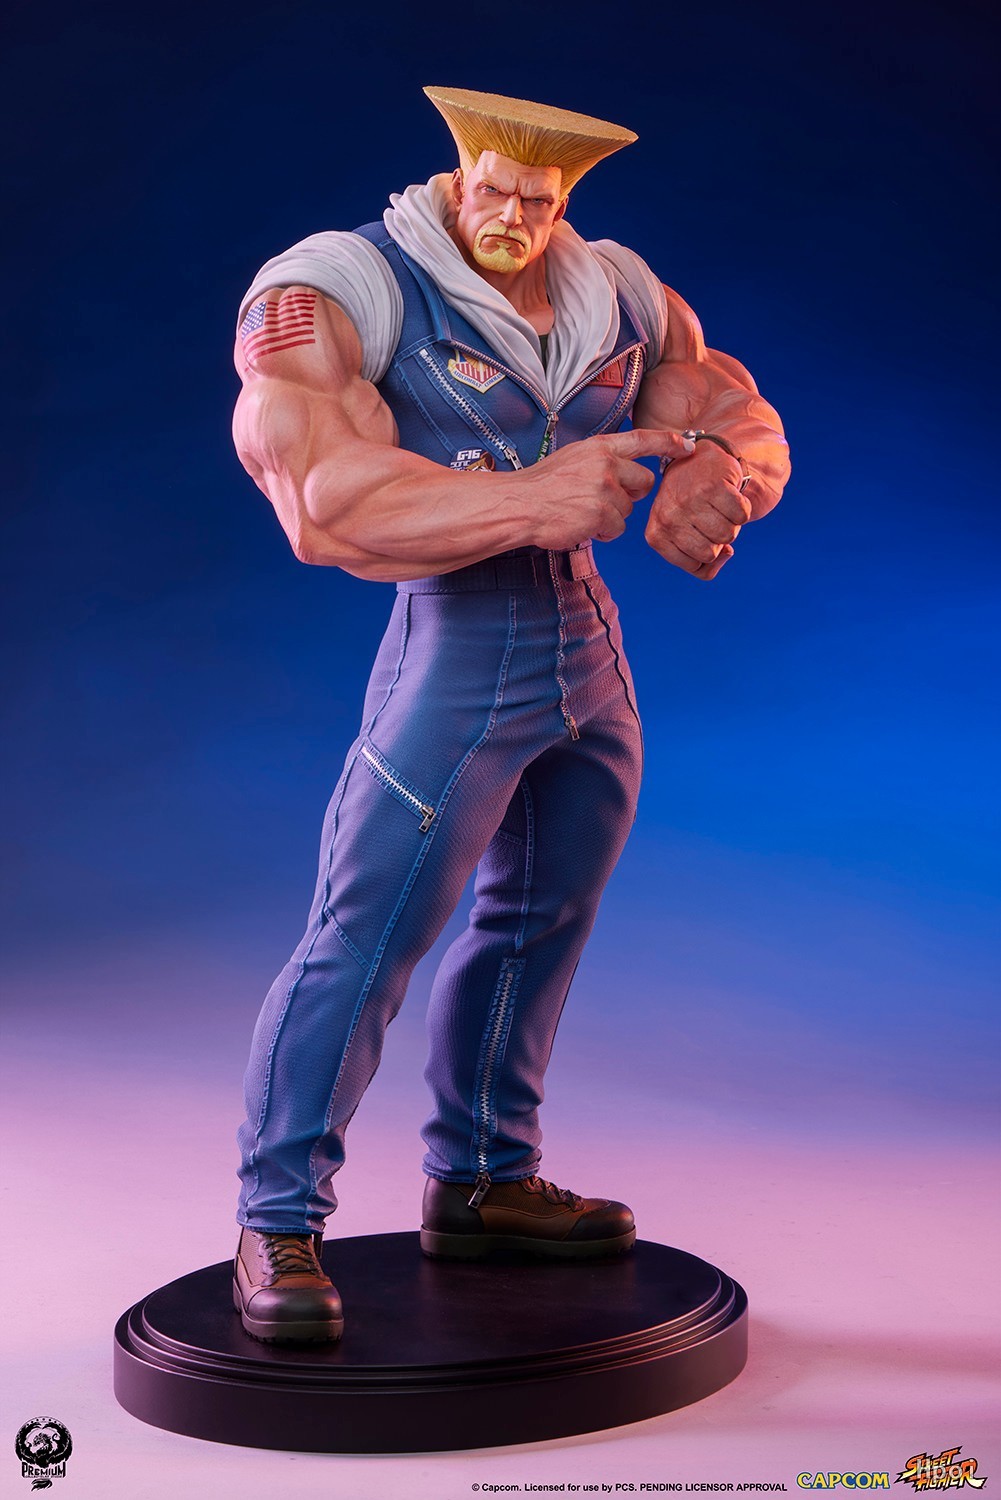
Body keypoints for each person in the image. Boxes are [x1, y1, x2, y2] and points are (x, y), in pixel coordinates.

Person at [230, 87, 790, 1344]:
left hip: (587, 655)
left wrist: (718, 477)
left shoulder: (619, 293)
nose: (512, 216)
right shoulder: (342, 287)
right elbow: (319, 500)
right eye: (493, 190)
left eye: (537, 201)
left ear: (562, 199)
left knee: (543, 921)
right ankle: (276, 1220)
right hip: (456, 652)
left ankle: (483, 1178)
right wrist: (531, 499)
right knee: (363, 939)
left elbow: (739, 415)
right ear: (457, 177)